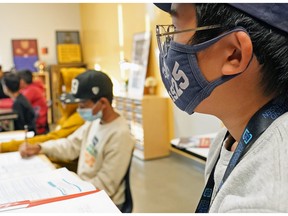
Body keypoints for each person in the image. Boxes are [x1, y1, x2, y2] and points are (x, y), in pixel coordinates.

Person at [155, 3, 288, 213]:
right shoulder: (229, 136)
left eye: (177, 28)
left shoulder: (269, 199)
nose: (169, 46)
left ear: (233, 54)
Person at [19, 69, 135, 209]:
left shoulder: (119, 134)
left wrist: (70, 188)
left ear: (103, 103)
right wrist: (40, 147)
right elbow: (71, 145)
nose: (79, 110)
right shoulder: (94, 122)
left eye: (82, 106)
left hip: (105, 202)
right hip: (84, 189)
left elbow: (105, 185)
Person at [18, 69, 49, 134]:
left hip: (37, 126)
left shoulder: (32, 90)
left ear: (22, 81)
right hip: (36, 122)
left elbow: (18, 103)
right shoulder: (31, 88)